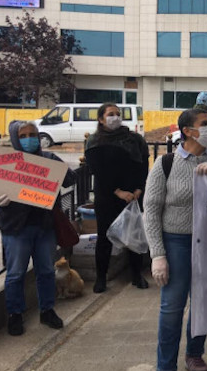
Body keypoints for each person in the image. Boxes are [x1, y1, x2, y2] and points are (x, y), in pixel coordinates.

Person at [143, 108, 207, 371]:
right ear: (187, 131)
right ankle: (165, 365)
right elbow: (151, 210)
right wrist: (158, 254)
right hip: (177, 242)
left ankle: (194, 353)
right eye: (205, 123)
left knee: (203, 303)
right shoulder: (166, 164)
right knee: (172, 306)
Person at [0, 121, 76, 336]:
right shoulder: (6, 162)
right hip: (16, 228)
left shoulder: (48, 158)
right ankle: (15, 314)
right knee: (15, 274)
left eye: (33, 134)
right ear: (15, 138)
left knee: (46, 271)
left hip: (44, 227)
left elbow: (71, 179)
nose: (29, 139)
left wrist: (56, 171)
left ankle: (47, 310)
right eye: (23, 136)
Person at [85, 103, 150, 293]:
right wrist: (118, 191)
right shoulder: (94, 141)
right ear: (101, 119)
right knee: (104, 237)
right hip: (107, 196)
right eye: (110, 114)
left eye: (118, 113)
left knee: (134, 235)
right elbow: (98, 171)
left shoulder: (134, 139)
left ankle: (136, 275)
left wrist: (139, 188)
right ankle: (101, 278)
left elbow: (142, 165)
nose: (115, 117)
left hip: (133, 195)